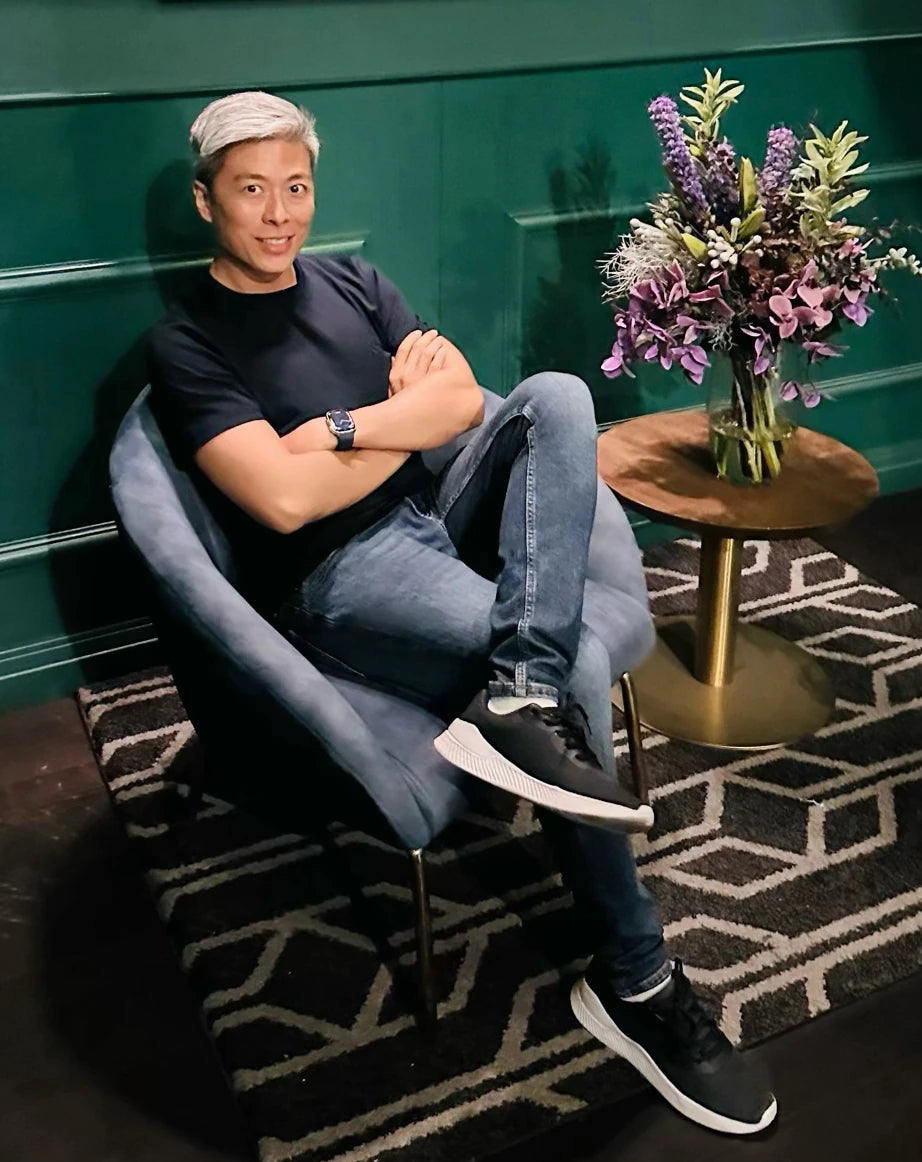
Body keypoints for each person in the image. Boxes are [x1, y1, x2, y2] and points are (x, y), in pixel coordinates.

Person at [146, 89, 776, 1135]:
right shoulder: (188, 344)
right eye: (251, 190)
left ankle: (511, 693)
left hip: (437, 512)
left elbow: (461, 401)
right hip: (337, 576)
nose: (277, 213)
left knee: (561, 394)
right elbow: (282, 499)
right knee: (577, 665)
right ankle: (635, 982)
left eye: (294, 187)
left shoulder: (349, 280)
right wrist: (395, 426)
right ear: (207, 198)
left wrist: (334, 428)